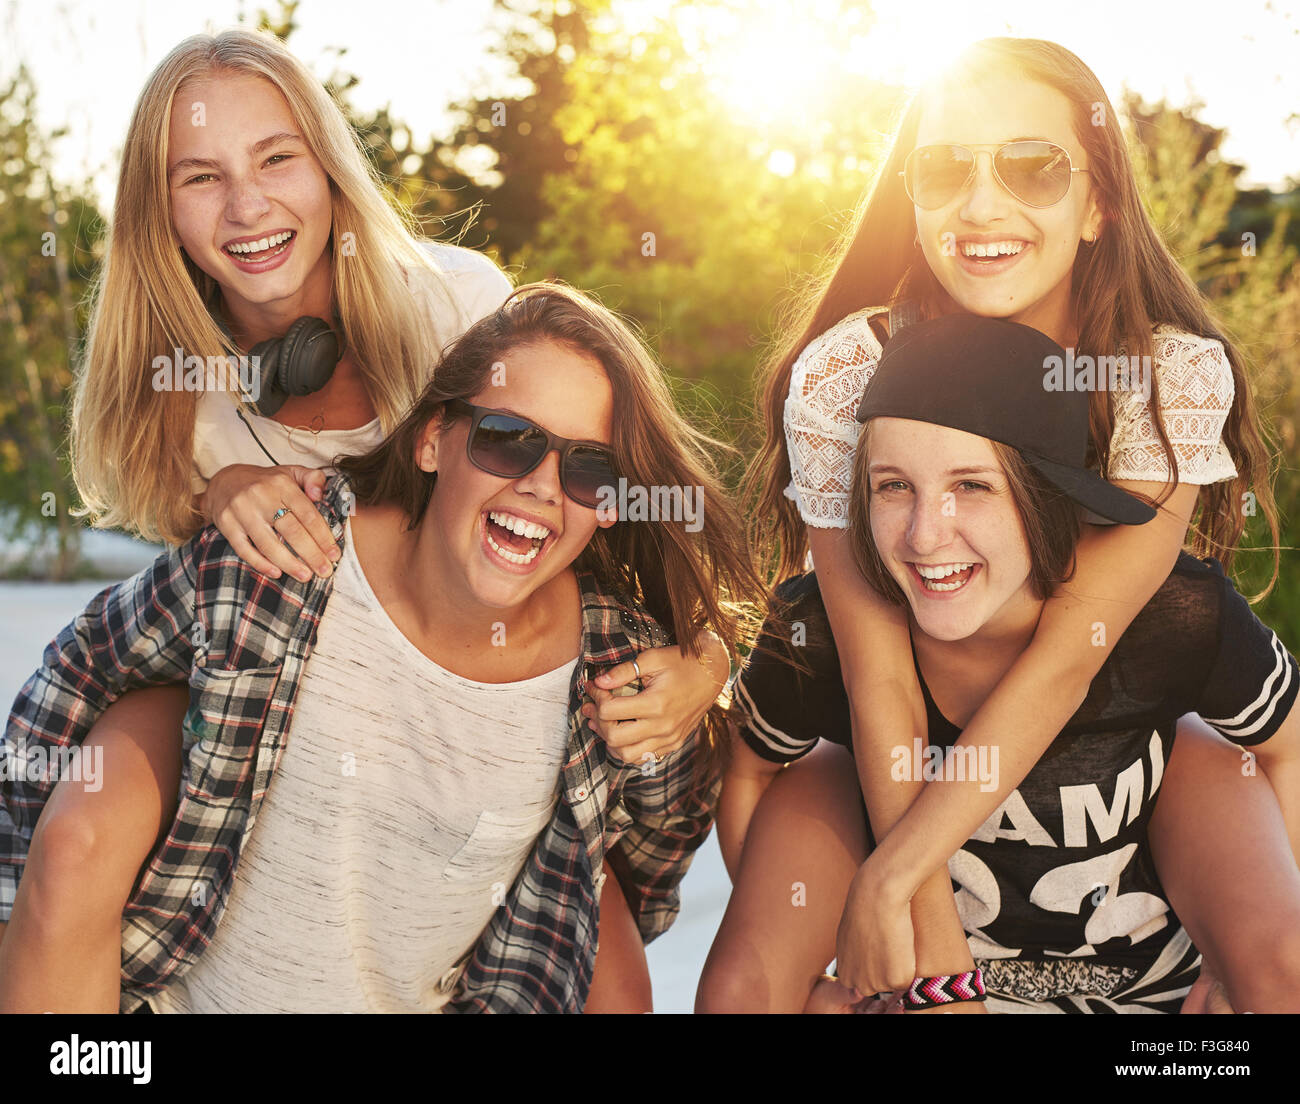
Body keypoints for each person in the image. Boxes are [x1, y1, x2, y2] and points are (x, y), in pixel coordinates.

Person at [0, 27, 724, 1012]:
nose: (248, 206)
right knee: (86, 827)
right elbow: (170, 606)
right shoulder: (179, 398)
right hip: (268, 675)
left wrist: (709, 660)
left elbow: (578, 475)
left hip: (478, 652)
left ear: (330, 168)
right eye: (200, 178)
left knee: (599, 948)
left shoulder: (453, 303)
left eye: (277, 158)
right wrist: (220, 492)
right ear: (158, 210)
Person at [744, 35, 1283, 995]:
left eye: (1031, 166)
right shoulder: (847, 377)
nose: (982, 204)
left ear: (1099, 202)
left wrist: (892, 874)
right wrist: (928, 938)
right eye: (946, 167)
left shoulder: (1164, 381)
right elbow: (879, 677)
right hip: (913, 762)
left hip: (1119, 766)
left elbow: (1076, 650)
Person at [703, 315, 1300, 1013]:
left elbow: (1286, 753)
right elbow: (749, 772)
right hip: (938, 977)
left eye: (974, 487)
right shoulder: (820, 629)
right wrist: (819, 964)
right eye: (893, 486)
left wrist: (1243, 950)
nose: (926, 534)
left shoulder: (1168, 619)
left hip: (1137, 983)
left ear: (1051, 501)